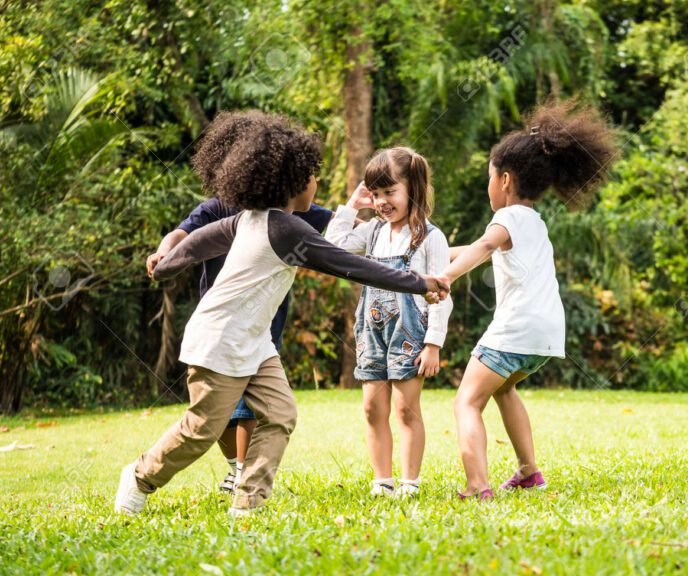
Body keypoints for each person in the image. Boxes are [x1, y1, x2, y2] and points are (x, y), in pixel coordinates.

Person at [115, 110, 448, 517]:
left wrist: (166, 262)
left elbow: (199, 243)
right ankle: (139, 476)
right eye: (311, 177)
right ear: (291, 182)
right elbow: (350, 265)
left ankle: (248, 501)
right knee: (201, 429)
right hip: (220, 338)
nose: (316, 183)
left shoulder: (259, 220)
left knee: (280, 414)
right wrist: (419, 282)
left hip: (254, 342)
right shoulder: (284, 229)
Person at [437, 102, 617, 499]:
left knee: (467, 402)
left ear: (504, 179)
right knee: (503, 389)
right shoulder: (532, 221)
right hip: (546, 333)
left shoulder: (506, 219)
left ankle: (477, 485)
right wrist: (437, 253)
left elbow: (484, 246)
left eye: (488, 178)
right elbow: (478, 246)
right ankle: (528, 471)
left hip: (516, 328)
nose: (488, 187)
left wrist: (445, 276)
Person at [146, 196, 332, 495]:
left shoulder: (292, 209)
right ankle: (230, 467)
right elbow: (182, 236)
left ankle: (245, 480)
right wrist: (163, 253)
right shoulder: (217, 210)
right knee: (217, 416)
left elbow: (338, 227)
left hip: (263, 325)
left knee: (259, 409)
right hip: (221, 328)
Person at [325, 147, 453, 497]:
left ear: (413, 187)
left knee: (405, 409)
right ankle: (382, 481)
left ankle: (410, 482)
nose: (381, 201)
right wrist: (352, 206)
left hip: (410, 335)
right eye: (376, 193)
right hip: (372, 331)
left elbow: (443, 292)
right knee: (371, 408)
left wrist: (433, 344)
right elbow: (332, 247)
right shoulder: (373, 232)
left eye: (389, 192)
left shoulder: (430, 237)